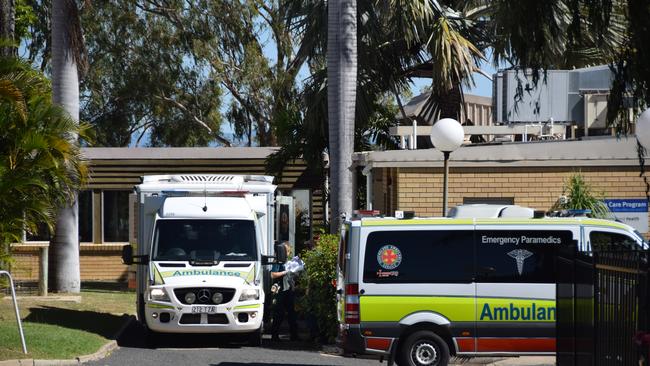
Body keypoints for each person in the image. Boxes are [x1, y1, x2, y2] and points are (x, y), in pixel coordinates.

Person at [270, 242, 298, 341]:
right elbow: (273, 274)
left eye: (288, 251)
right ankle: (274, 335)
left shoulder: (289, 261)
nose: (287, 252)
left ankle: (294, 335)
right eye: (285, 250)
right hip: (280, 290)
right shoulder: (278, 261)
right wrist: (285, 272)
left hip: (289, 289)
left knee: (292, 313)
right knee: (279, 313)